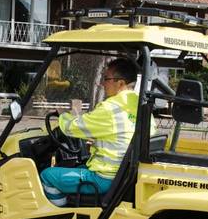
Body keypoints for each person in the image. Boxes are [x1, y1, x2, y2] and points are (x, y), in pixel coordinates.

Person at [40, 59, 149, 207]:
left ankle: (57, 216)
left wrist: (62, 115)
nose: (102, 83)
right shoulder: (140, 105)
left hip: (103, 178)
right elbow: (123, 134)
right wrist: (97, 142)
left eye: (106, 79)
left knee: (47, 175)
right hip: (122, 174)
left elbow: (73, 128)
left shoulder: (111, 108)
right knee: (74, 168)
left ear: (121, 83)